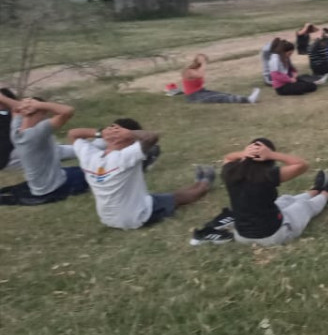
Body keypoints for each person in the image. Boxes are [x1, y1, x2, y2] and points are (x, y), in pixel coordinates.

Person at [69, 119, 212, 229]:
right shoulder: (124, 157)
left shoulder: (89, 156)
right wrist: (129, 133)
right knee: (177, 198)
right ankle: (204, 183)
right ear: (130, 140)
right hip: (136, 216)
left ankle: (197, 182)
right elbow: (151, 137)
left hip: (107, 218)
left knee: (161, 197)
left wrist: (100, 133)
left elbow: (73, 134)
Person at [217, 138, 328, 246]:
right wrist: (272, 154)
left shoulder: (230, 172)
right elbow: (302, 165)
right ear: (269, 162)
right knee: (303, 206)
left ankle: (315, 190)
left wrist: (243, 153)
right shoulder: (269, 175)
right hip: (272, 235)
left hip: (242, 236)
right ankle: (327, 193)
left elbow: (228, 157)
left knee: (285, 199)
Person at [0, 92, 88, 206]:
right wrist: (39, 105)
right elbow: (68, 111)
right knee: (93, 173)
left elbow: (16, 109)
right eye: (44, 113)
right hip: (54, 187)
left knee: (74, 168)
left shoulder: (16, 130)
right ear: (41, 112)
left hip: (39, 186)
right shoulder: (37, 132)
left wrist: (25, 105)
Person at [182, 54, 260, 103]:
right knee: (219, 98)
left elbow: (200, 74)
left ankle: (244, 98)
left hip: (201, 91)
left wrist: (202, 63)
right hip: (194, 96)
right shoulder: (188, 71)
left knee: (222, 94)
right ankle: (248, 100)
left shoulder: (197, 69)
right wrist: (203, 63)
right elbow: (200, 75)